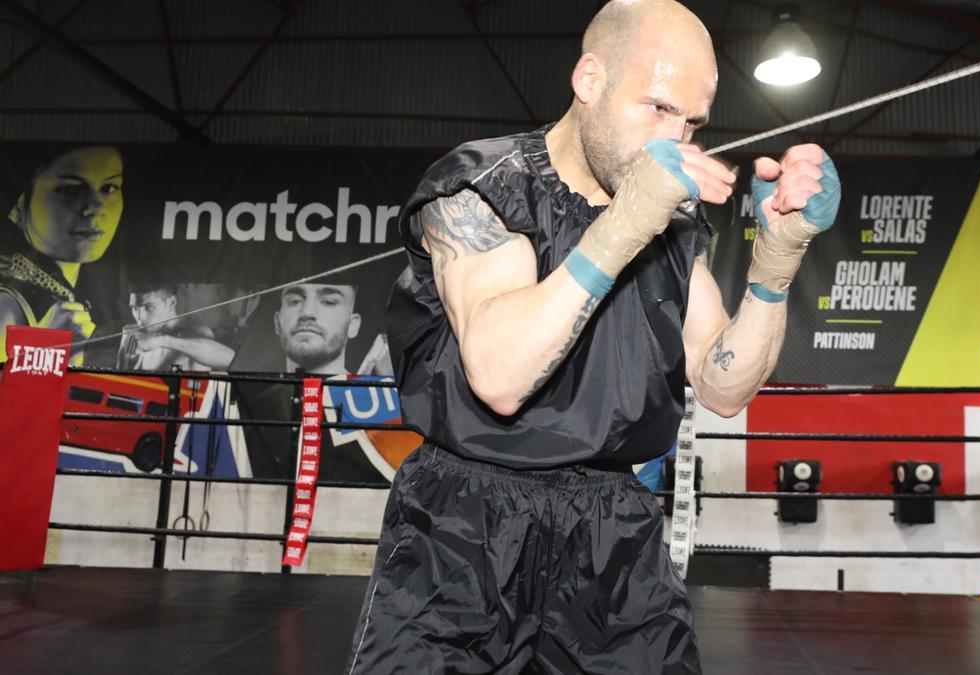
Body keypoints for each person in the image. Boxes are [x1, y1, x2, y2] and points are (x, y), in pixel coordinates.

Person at [348, 1, 841, 672]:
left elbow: (723, 385)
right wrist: (627, 222)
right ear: (589, 80)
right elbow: (497, 374)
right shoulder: (480, 189)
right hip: (463, 526)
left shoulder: (670, 220)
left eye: (692, 122)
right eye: (658, 108)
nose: (675, 137)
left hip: (612, 529)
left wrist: (775, 266)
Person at [0, 146, 124, 364]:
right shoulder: (9, 304)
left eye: (109, 187)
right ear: (23, 199)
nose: (95, 206)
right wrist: (43, 345)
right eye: (70, 189)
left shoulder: (95, 296)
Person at [117, 283, 235, 371]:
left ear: (171, 303)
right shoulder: (132, 333)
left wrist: (163, 341)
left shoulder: (195, 333)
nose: (139, 316)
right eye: (134, 307)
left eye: (149, 307)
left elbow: (230, 360)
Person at [274, 282, 361, 375]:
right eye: (295, 301)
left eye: (328, 302)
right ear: (277, 322)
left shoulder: (367, 389)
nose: (307, 313)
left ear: (352, 326)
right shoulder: (261, 387)